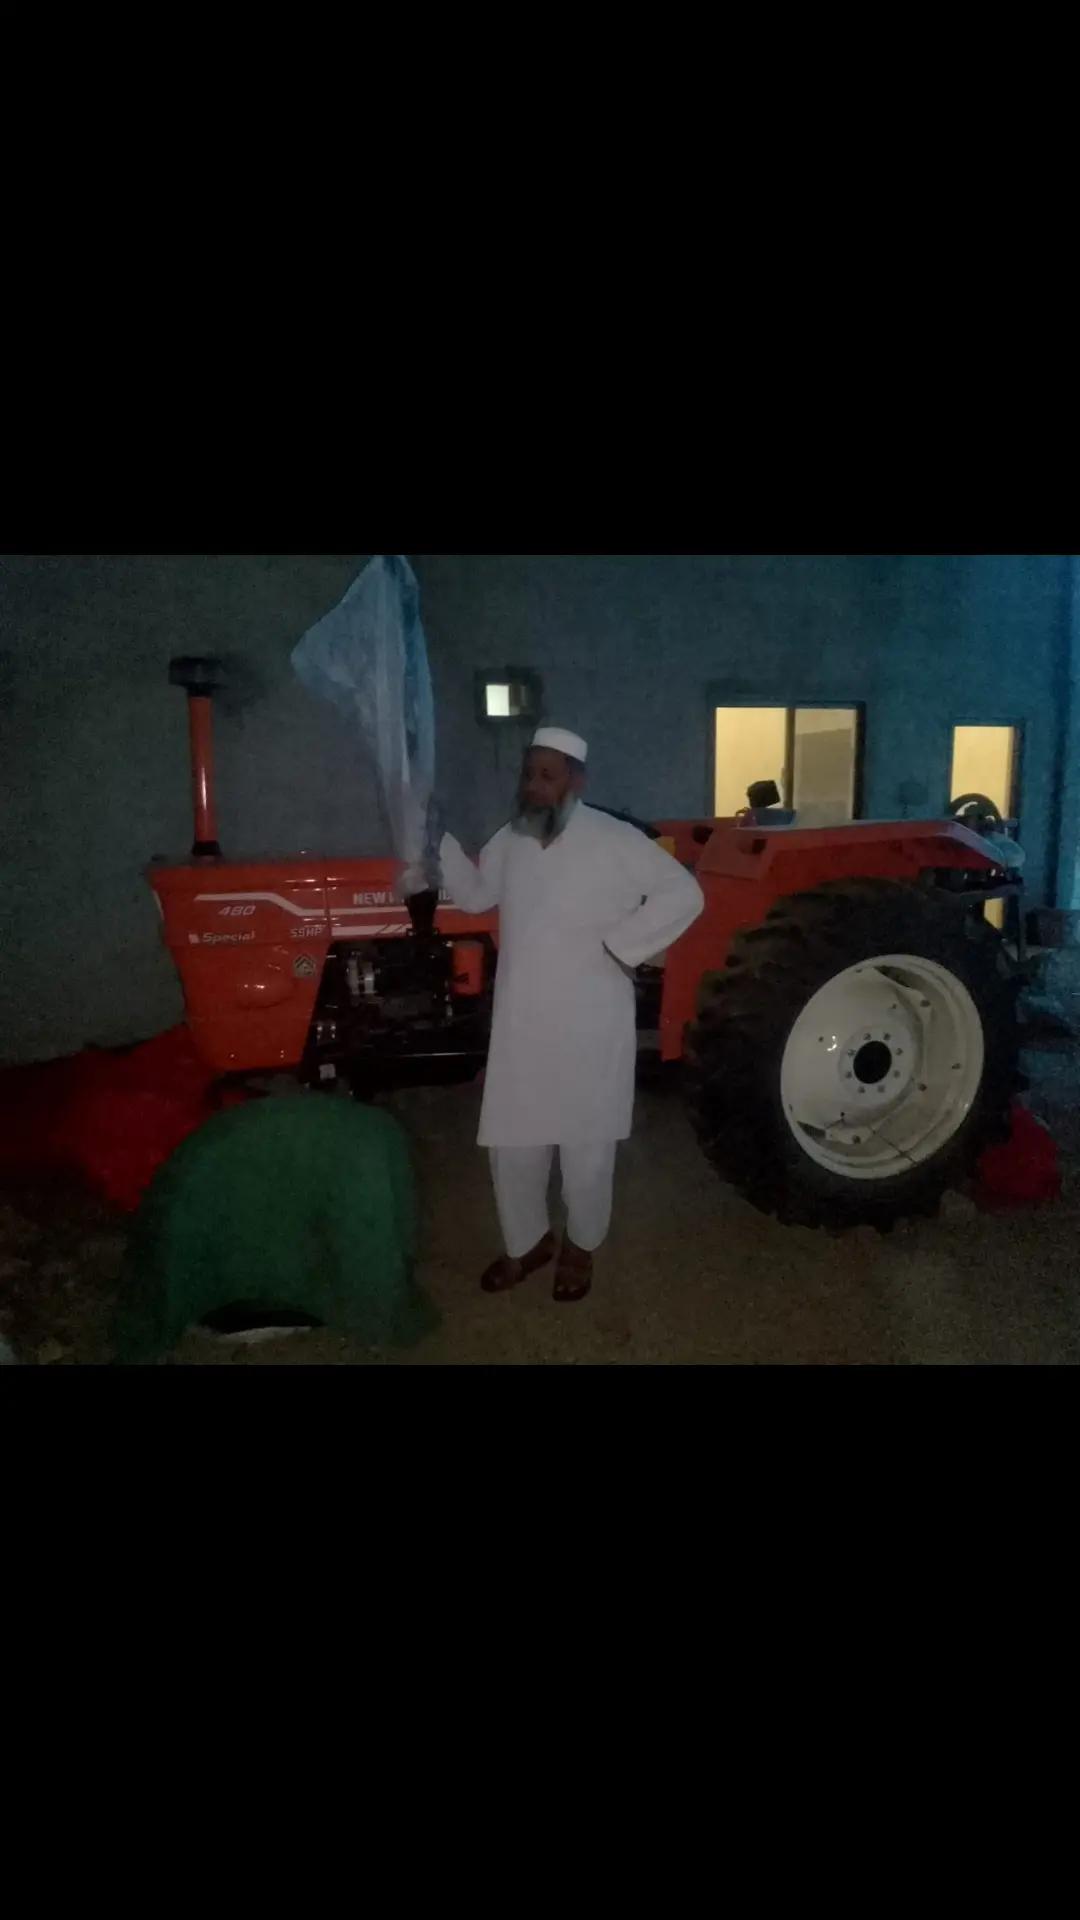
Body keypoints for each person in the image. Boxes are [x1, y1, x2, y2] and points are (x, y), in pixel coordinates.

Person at [438, 727, 704, 1302]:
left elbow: (684, 893)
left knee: (587, 1146)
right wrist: (442, 847)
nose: (534, 786)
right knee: (514, 1142)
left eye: (547, 775)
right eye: (529, 774)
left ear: (576, 781)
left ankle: (581, 1247)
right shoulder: (513, 837)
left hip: (591, 1021)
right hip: (522, 1024)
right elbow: (478, 896)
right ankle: (528, 1243)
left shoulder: (615, 838)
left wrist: (622, 945)